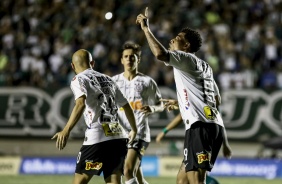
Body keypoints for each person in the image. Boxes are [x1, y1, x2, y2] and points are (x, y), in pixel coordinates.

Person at [136, 8, 232, 184]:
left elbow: (159, 54)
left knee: (196, 181)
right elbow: (216, 100)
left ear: (186, 46)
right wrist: (182, 103)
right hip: (212, 126)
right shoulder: (205, 67)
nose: (172, 40)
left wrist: (146, 29)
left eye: (178, 38)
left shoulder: (185, 59)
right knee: (182, 180)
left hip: (199, 128)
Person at [52, 49, 137, 184]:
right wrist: (134, 129)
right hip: (118, 136)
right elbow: (126, 106)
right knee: (114, 181)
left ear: (72, 66)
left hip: (97, 138)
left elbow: (80, 104)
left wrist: (66, 130)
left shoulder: (79, 79)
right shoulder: (108, 79)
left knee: (80, 181)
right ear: (92, 63)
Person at [112, 42, 164, 184]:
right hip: (120, 134)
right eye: (126, 57)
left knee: (127, 170)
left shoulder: (147, 82)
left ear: (138, 60)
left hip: (139, 133)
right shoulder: (113, 82)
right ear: (122, 60)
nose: (129, 59)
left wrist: (153, 108)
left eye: (133, 57)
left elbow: (161, 104)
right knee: (138, 179)